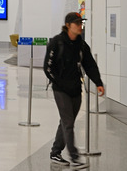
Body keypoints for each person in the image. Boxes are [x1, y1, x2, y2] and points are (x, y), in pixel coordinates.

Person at [44, 12, 104, 169]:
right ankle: (75, 158)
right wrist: (59, 82)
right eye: (77, 23)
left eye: (81, 23)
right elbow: (48, 68)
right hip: (60, 89)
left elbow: (90, 65)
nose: (80, 26)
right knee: (68, 123)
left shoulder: (81, 45)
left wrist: (98, 82)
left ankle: (55, 152)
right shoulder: (57, 43)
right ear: (68, 25)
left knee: (66, 122)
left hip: (76, 89)